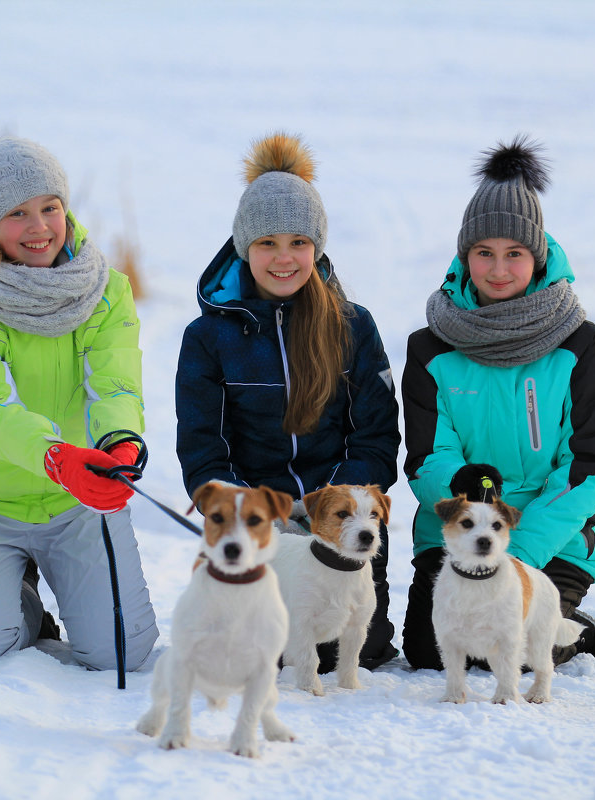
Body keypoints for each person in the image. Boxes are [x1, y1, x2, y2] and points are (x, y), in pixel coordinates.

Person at [0, 129, 158, 670]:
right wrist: (54, 455)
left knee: (123, 654)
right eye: (16, 214)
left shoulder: (107, 288)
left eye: (49, 207)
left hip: (78, 496)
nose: (39, 227)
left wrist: (119, 443)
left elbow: (115, 384)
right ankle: (18, 600)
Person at [176, 132, 401, 671]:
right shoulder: (208, 337)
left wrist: (323, 511)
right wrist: (258, 515)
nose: (283, 258)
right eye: (266, 244)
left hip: (339, 522)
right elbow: (203, 446)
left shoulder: (353, 325)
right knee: (263, 651)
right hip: (259, 522)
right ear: (243, 248)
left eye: (298, 242)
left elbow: (377, 434)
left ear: (317, 247)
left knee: (355, 653)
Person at [402, 135, 595, 669]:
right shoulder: (430, 348)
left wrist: (511, 554)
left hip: (548, 540)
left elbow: (588, 467)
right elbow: (428, 459)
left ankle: (570, 626)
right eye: (484, 253)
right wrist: (469, 520)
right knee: (431, 653)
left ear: (537, 255)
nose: (499, 270)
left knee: (517, 651)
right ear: (465, 256)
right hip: (455, 536)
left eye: (514, 254)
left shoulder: (580, 344)